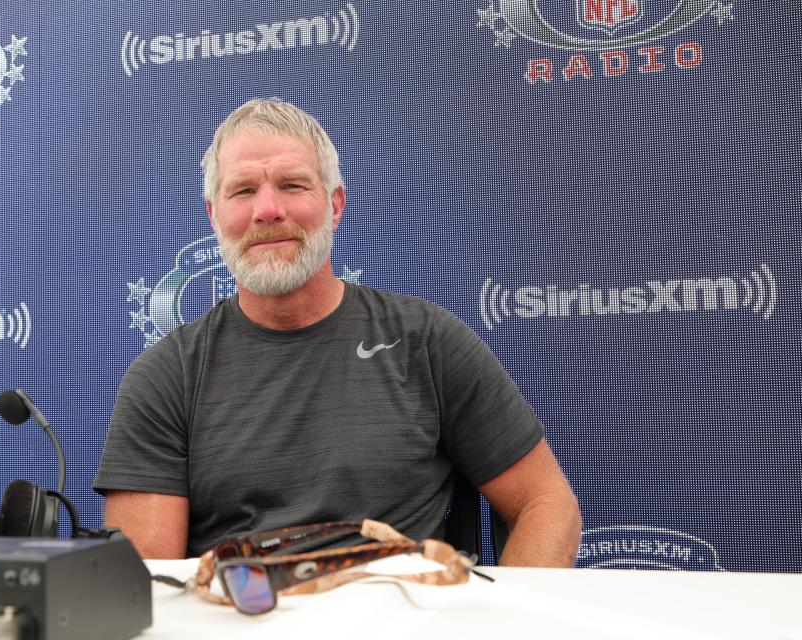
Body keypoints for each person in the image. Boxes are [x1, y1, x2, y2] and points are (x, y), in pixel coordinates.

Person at [94, 98, 582, 566]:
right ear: (214, 214)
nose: (267, 210)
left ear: (335, 204)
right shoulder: (165, 376)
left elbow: (546, 505)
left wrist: (500, 621)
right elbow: (146, 582)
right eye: (243, 190)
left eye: (292, 185)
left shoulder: (428, 342)